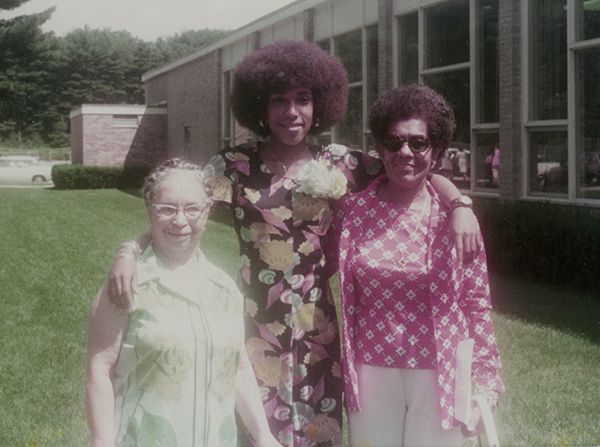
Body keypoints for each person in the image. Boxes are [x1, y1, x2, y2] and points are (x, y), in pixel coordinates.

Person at [108, 40, 482, 446]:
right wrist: (130, 250)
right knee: (252, 428)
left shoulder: (341, 162)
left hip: (316, 328)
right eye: (279, 101)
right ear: (260, 109)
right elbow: (178, 211)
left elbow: (411, 168)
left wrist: (459, 203)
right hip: (253, 322)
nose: (291, 112)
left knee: (318, 430)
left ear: (319, 104)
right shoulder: (234, 167)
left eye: (302, 100)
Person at [329, 85, 504, 446]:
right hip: (370, 367)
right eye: (393, 142)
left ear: (435, 149)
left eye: (418, 143)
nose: (405, 152)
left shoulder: (454, 219)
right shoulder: (355, 212)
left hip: (439, 369)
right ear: (380, 148)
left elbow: (476, 302)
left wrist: (486, 383)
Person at [86, 159, 280, 447]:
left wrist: (264, 436)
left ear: (207, 212)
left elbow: (236, 367)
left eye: (192, 208)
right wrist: (102, 442)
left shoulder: (224, 288)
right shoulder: (127, 284)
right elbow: (99, 369)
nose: (180, 221)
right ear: (149, 211)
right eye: (166, 209)